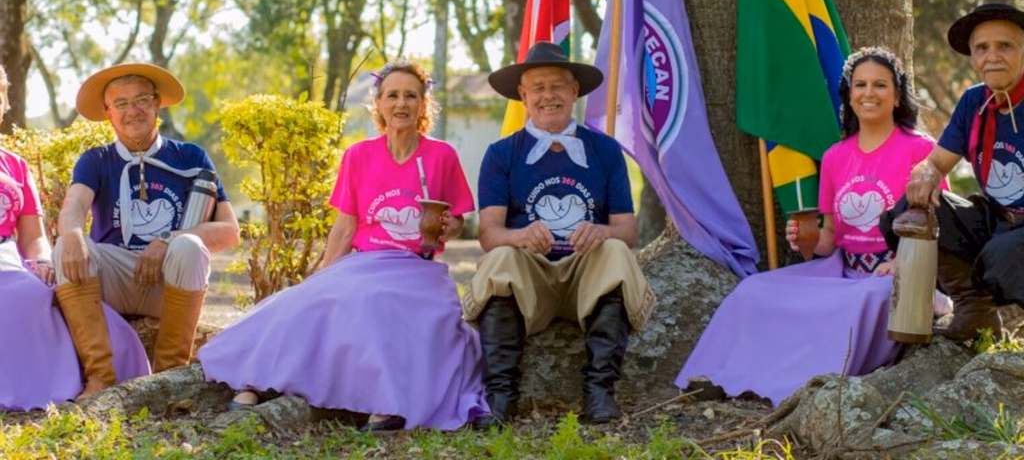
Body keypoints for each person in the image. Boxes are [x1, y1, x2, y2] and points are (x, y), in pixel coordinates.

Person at [199, 61, 490, 431]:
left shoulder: (441, 155)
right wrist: (321, 278)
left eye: (411, 96)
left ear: (423, 105)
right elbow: (345, 226)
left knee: (380, 305)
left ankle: (388, 403)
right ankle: (252, 380)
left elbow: (458, 220)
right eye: (393, 95)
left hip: (418, 267)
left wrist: (449, 227)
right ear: (379, 104)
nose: (401, 104)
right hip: (366, 261)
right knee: (308, 301)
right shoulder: (359, 156)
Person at [676, 47, 946, 406]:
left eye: (880, 85)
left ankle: (800, 390)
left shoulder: (920, 150)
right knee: (753, 290)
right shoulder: (836, 156)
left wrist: (902, 263)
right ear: (848, 97)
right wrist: (808, 237)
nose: (869, 93)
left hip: (901, 276)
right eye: (860, 85)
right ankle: (721, 378)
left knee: (870, 297)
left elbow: (942, 225)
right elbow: (831, 239)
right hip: (842, 271)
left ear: (897, 96)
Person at [463, 42, 656, 425]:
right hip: (530, 282)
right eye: (538, 87)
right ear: (523, 96)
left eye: (557, 86)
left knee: (617, 251)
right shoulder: (502, 153)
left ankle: (599, 393)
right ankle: (501, 397)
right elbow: (489, 233)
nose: (548, 96)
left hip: (587, 279)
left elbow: (628, 230)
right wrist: (519, 237)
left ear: (574, 92)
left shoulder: (604, 150)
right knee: (501, 256)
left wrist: (601, 232)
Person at [53, 63, 239, 399]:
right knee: (66, 245)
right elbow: (74, 207)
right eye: (121, 104)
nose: (132, 110)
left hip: (170, 282)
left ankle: (168, 376)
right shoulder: (96, 159)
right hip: (116, 280)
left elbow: (229, 231)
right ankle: (99, 378)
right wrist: (72, 234)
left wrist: (168, 239)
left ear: (157, 105)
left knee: (190, 248)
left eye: (141, 100)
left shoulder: (191, 157)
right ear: (108, 114)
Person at [0, 64, 148, 409]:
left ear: (4, 103)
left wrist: (41, 262)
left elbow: (34, 234)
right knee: (20, 298)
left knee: (52, 294)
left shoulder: (16, 166)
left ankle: (100, 374)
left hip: (8, 257)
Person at [882, 2, 1024, 341]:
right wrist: (926, 173)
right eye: (982, 48)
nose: (992, 56)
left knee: (1003, 253)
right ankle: (976, 312)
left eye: (1005, 46)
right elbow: (935, 162)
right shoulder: (974, 102)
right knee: (908, 213)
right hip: (1000, 220)